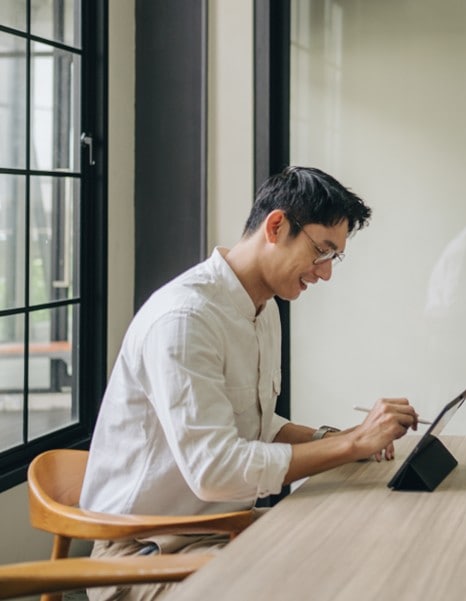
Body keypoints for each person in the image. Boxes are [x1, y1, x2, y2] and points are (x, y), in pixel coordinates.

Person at [79, 167, 421, 601]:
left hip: (219, 532)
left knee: (363, 548)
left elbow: (256, 423)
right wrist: (349, 446)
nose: (326, 273)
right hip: (145, 551)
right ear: (276, 227)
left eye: (334, 257)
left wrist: (344, 437)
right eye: (321, 251)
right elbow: (215, 471)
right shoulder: (185, 319)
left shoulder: (262, 308)